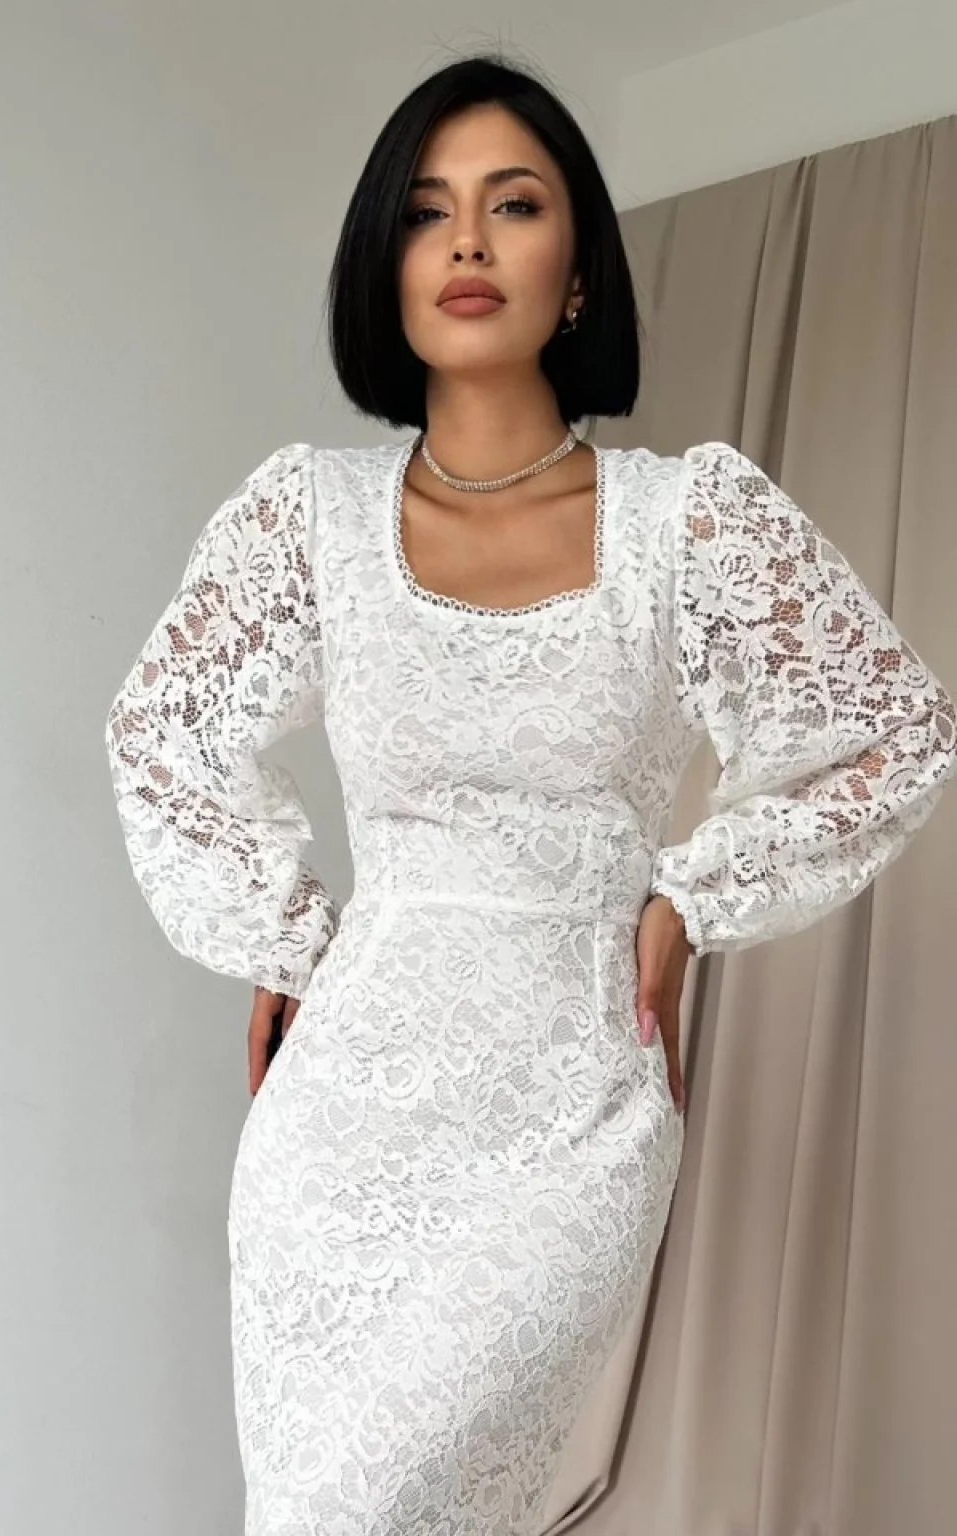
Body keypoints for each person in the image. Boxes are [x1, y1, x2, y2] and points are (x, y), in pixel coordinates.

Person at [104, 51, 957, 1536]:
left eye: (514, 204)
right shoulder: (306, 517)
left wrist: (687, 902)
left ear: (579, 273)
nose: (469, 241)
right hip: (344, 1125)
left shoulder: (687, 520)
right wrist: (285, 940)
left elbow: (897, 726)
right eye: (426, 212)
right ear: (386, 268)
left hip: (574, 1112)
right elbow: (160, 733)